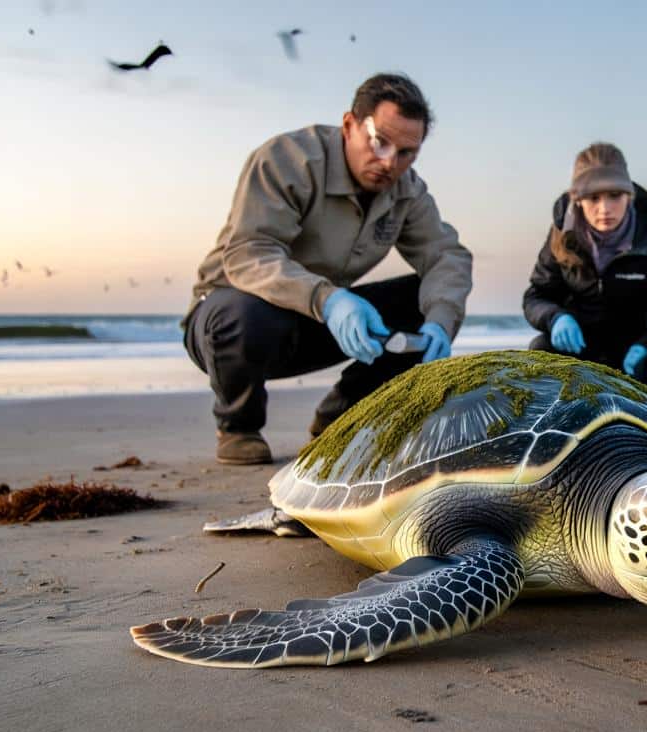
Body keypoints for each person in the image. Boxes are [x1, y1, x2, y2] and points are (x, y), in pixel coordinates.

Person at [183, 73, 472, 464]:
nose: (390, 162)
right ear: (350, 125)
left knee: (426, 299)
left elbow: (447, 256)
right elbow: (249, 253)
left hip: (316, 324)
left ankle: (340, 419)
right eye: (380, 142)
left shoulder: (407, 190)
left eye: (407, 153)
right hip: (232, 325)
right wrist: (329, 300)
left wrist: (440, 322)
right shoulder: (286, 159)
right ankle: (239, 426)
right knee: (239, 313)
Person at [522, 143, 647, 385]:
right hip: (580, 348)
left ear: (629, 195)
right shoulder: (561, 236)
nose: (604, 209)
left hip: (636, 351)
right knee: (540, 349)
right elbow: (536, 296)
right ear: (578, 199)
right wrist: (556, 318)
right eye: (594, 198)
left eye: (614, 195)